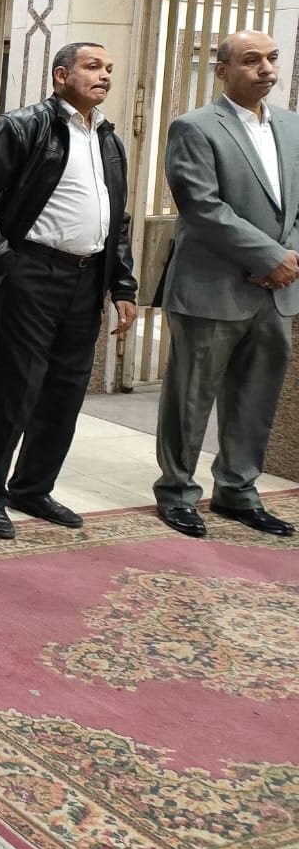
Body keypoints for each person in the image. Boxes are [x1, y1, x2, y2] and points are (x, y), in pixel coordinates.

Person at [0, 42, 138, 540]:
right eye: (93, 67)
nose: (105, 76)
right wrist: (6, 263)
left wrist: (122, 284)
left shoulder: (108, 139)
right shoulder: (23, 127)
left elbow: (117, 219)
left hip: (88, 278)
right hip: (32, 272)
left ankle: (33, 488)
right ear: (60, 75)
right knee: (16, 389)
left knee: (65, 391)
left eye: (109, 68)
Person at [152, 29, 299, 539]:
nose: (266, 69)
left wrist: (286, 260)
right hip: (211, 286)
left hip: (276, 291)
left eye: (272, 58)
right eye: (252, 59)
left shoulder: (292, 127)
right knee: (190, 397)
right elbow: (202, 206)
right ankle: (177, 492)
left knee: (256, 396)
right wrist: (269, 256)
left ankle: (238, 490)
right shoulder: (194, 127)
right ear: (222, 70)